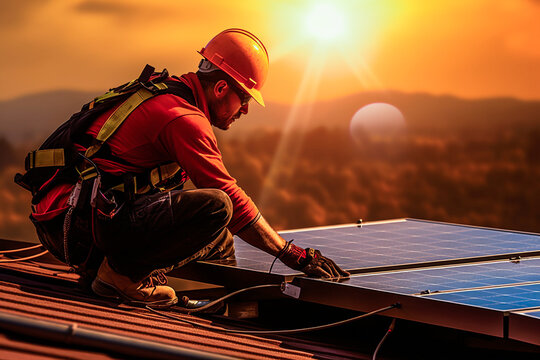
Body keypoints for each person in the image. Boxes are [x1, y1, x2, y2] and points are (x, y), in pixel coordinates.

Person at [27, 28, 349, 309]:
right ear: (222, 88)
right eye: (244, 98)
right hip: (78, 228)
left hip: (72, 219)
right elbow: (230, 200)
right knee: (216, 207)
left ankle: (222, 309)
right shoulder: (184, 118)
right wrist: (293, 255)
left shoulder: (168, 92)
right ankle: (119, 275)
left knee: (220, 239)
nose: (246, 110)